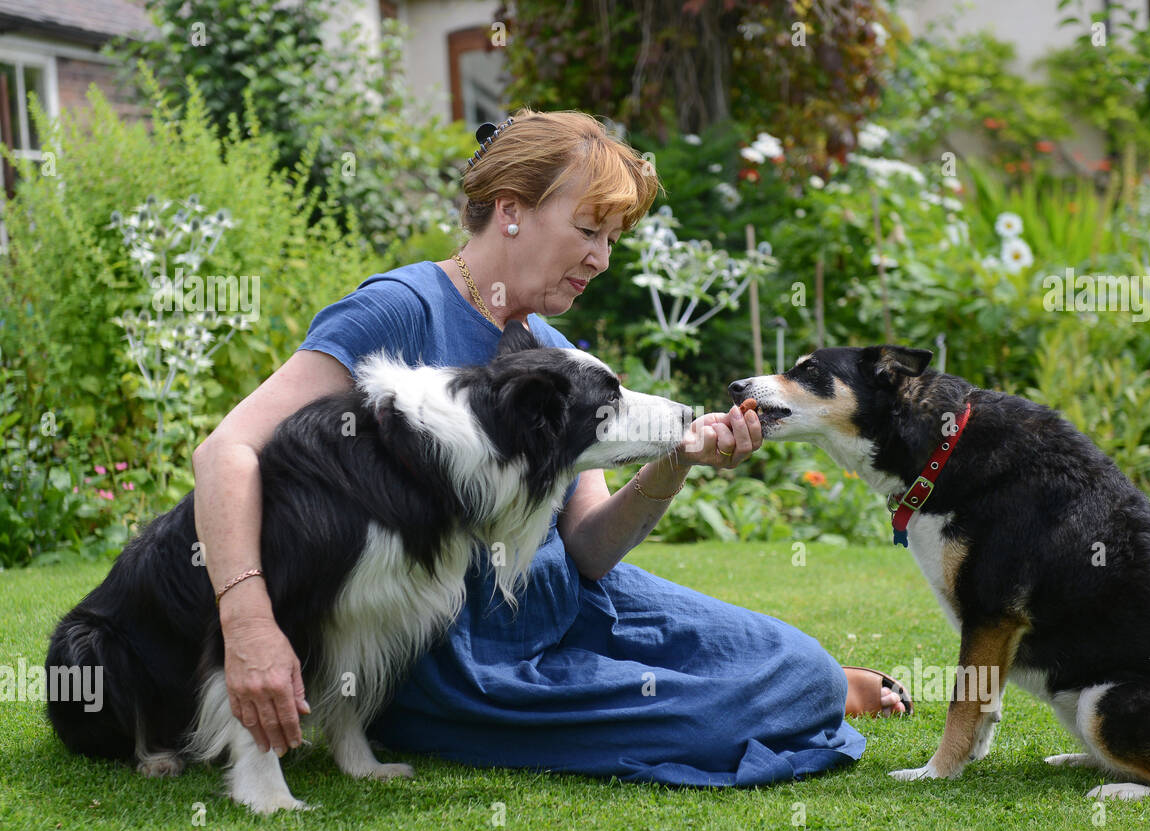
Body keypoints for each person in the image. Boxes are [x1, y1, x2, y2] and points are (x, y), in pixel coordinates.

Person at [192, 108, 909, 788]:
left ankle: (795, 688)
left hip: (569, 601)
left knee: (803, 672)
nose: (600, 258)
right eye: (590, 229)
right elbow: (227, 450)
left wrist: (678, 460)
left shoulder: (553, 348)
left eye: (612, 239)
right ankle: (502, 717)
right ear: (511, 210)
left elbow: (589, 549)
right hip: (462, 648)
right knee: (727, 715)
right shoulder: (398, 309)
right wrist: (249, 624)